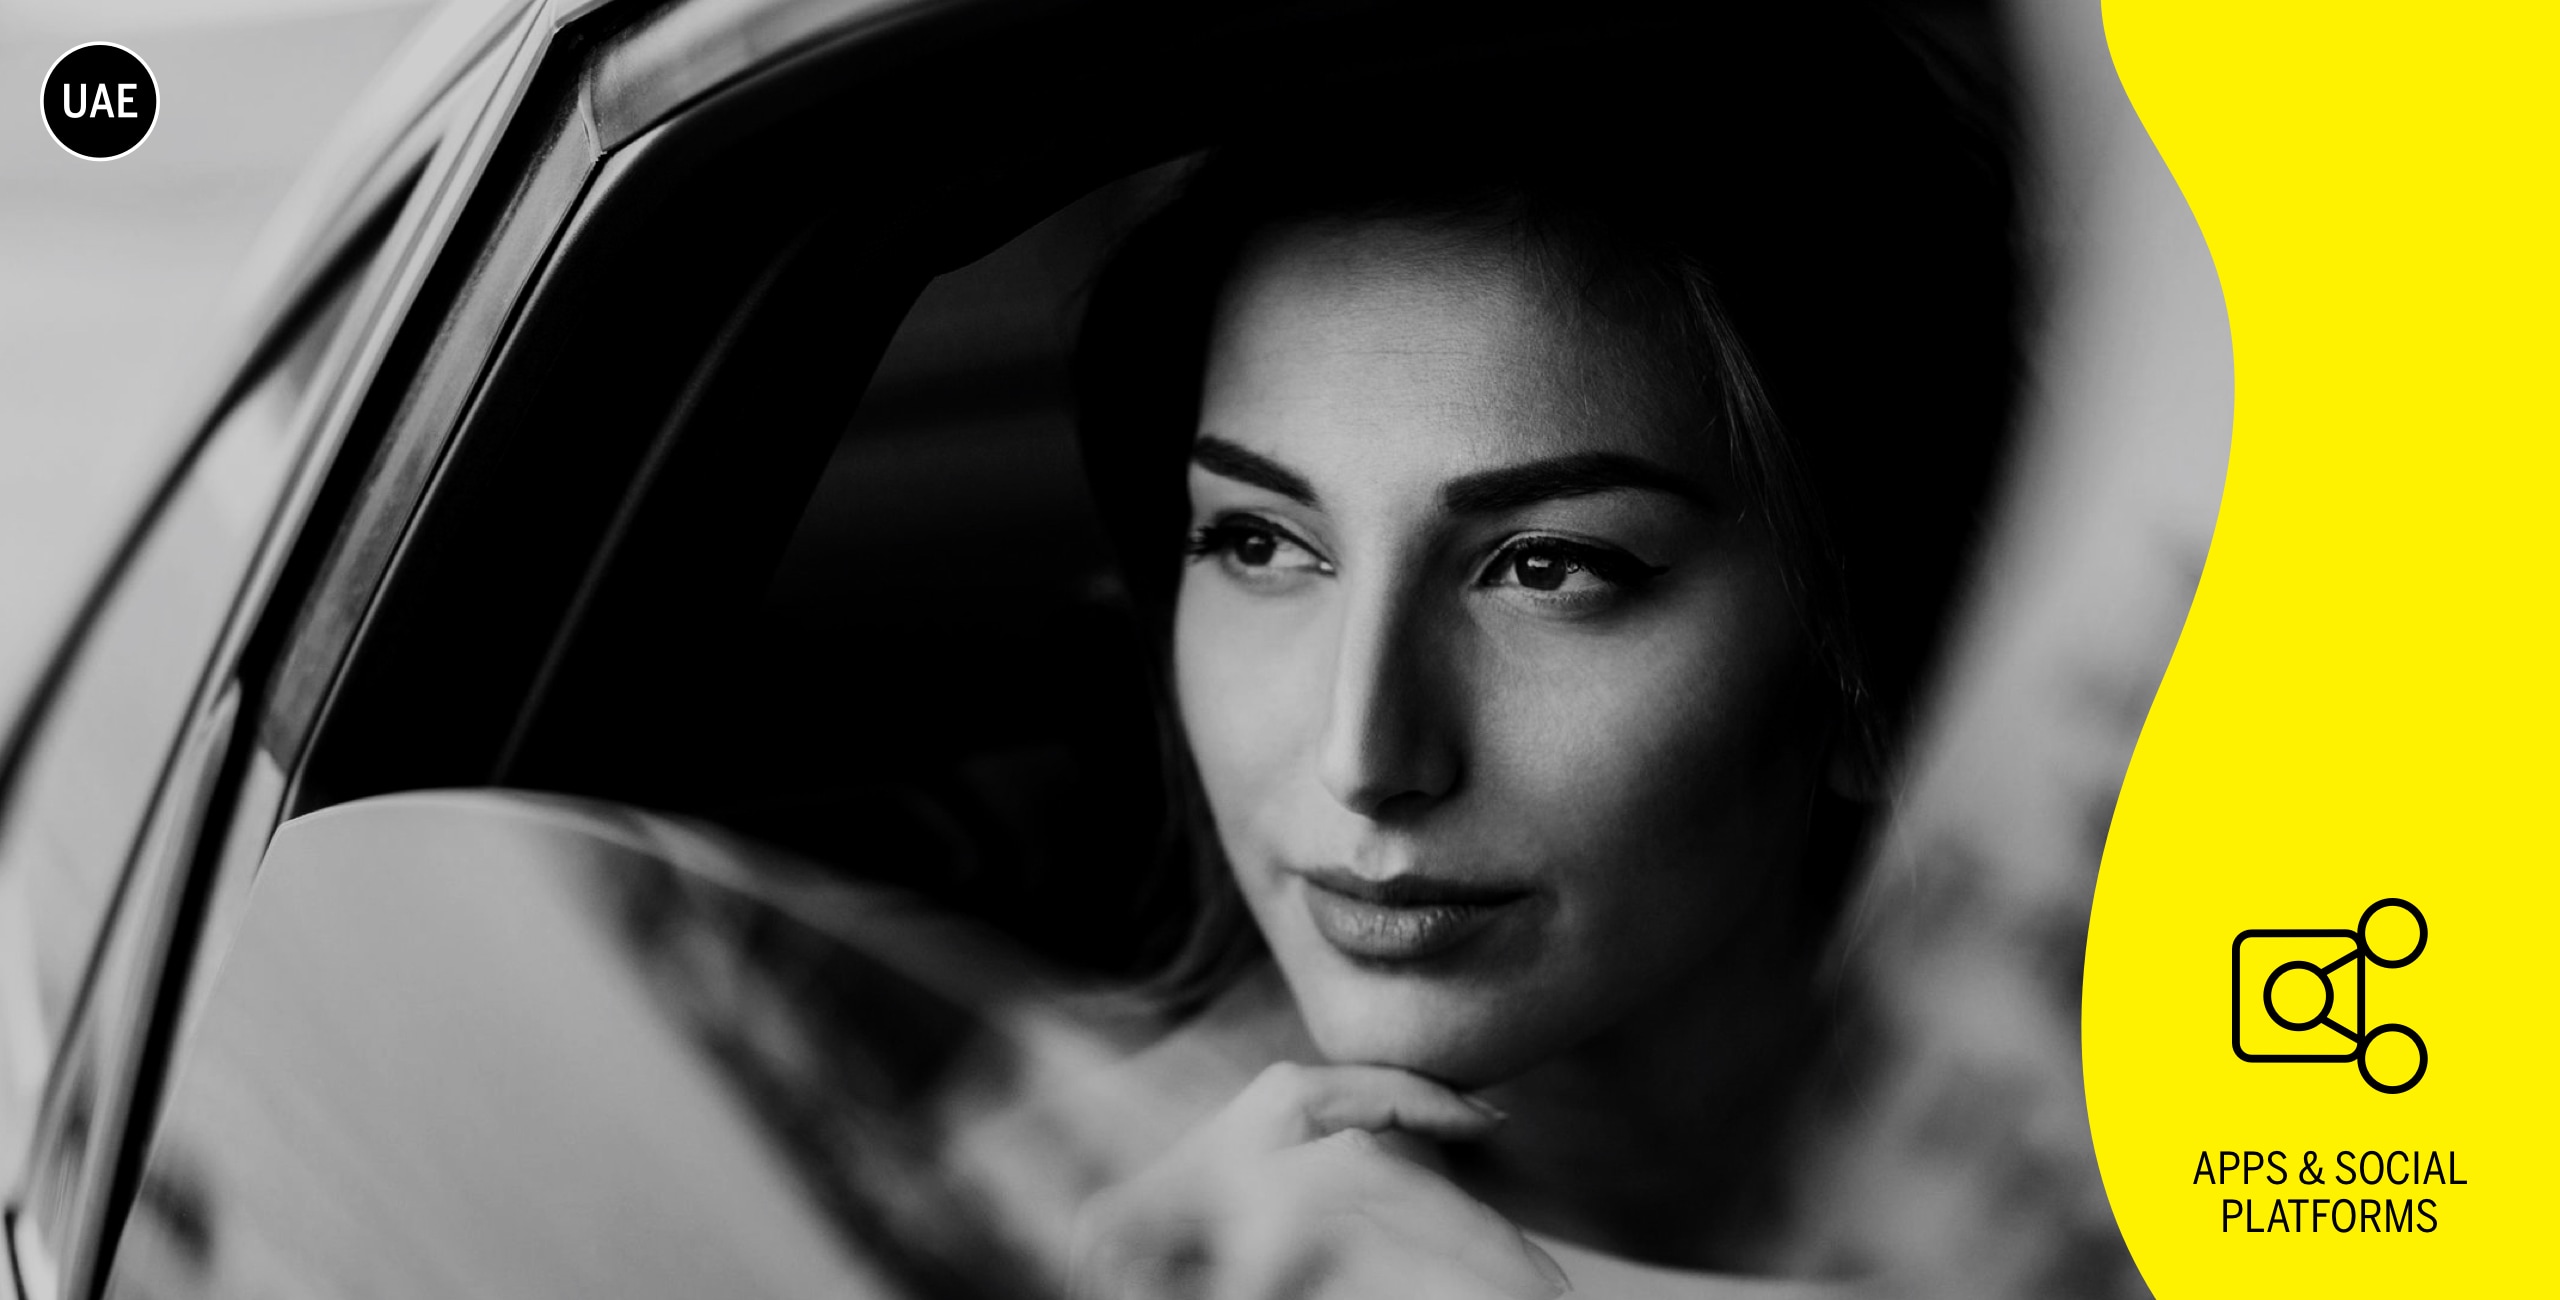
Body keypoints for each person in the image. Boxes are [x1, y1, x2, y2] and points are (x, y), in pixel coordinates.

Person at [1062, 11, 2019, 1295]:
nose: (1364, 756)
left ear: (1880, 654)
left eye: (1548, 567)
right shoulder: (1046, 1214)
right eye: (1258, 543)